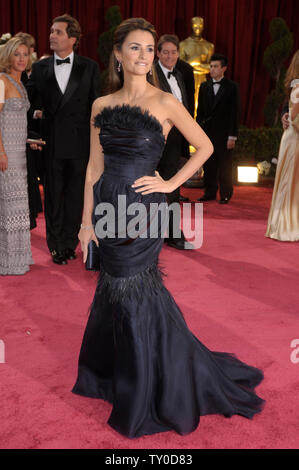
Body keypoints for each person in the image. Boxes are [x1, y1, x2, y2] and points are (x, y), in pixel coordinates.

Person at [72, 18, 265, 439]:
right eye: (136, 48)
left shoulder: (166, 103)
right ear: (119, 55)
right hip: (107, 206)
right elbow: (93, 167)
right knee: (116, 289)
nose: (145, 56)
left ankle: (146, 388)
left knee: (135, 290)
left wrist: (170, 183)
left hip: (143, 211)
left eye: (150, 48)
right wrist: (86, 223)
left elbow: (207, 146)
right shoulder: (101, 106)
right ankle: (118, 374)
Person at [26, 14, 101, 265]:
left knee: (74, 197)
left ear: (73, 39)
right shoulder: (39, 68)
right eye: (51, 31)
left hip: (80, 144)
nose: (51, 36)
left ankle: (70, 243)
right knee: (53, 196)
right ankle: (55, 245)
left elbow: (96, 107)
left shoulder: (89, 67)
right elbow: (29, 105)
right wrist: (35, 126)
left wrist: (98, 144)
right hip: (51, 143)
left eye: (58, 32)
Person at [0, 37, 36, 275]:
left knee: (18, 206)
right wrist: (1, 152)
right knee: (8, 206)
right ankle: (7, 260)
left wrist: (30, 140)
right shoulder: (1, 81)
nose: (22, 59)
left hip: (20, 153)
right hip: (5, 154)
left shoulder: (21, 83)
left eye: (25, 54)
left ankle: (19, 257)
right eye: (17, 54)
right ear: (8, 56)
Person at [154, 34, 192, 249]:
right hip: (156, 139)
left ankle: (174, 232)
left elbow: (186, 109)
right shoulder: (151, 75)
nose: (170, 56)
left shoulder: (180, 74)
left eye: (174, 52)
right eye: (165, 52)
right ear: (158, 53)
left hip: (175, 140)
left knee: (173, 186)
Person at [196, 54, 240, 204]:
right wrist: (197, 132)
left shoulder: (232, 87)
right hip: (207, 133)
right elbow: (200, 112)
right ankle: (209, 193)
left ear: (224, 68)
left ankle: (226, 194)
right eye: (211, 66)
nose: (212, 69)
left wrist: (232, 136)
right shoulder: (204, 86)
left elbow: (235, 113)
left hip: (224, 134)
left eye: (215, 66)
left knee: (225, 166)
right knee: (209, 165)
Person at [265, 50, 299, 241]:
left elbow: (290, 115)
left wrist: (287, 117)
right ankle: (285, 227)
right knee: (290, 183)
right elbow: (296, 120)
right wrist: (289, 118)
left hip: (293, 138)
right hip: (295, 141)